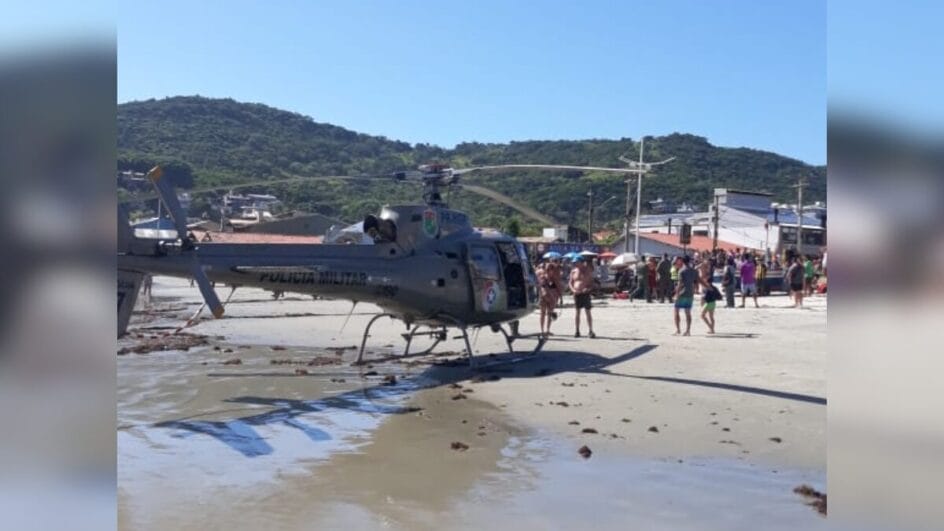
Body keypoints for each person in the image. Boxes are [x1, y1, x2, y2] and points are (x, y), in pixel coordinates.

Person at [674, 255, 709, 336]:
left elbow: (680, 284)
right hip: (690, 293)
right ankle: (688, 330)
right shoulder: (694, 271)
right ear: (689, 261)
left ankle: (678, 330)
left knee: (676, 311)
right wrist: (708, 287)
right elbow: (700, 280)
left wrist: (676, 294)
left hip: (682, 293)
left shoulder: (681, 271)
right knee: (688, 313)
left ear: (682, 261)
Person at [569, 256, 596, 338]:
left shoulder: (588, 271)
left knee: (588, 312)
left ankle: (590, 330)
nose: (575, 264)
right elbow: (570, 283)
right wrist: (573, 290)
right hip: (577, 294)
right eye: (574, 262)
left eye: (577, 262)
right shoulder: (573, 271)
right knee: (577, 312)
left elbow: (592, 283)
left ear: (581, 262)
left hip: (585, 294)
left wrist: (587, 289)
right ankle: (577, 330)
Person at [537, 261, 563, 337]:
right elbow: (544, 288)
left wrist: (559, 296)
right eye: (548, 269)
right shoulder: (543, 277)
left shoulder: (554, 279)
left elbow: (558, 288)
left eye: (551, 269)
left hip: (552, 299)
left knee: (550, 314)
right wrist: (551, 296)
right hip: (544, 297)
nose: (550, 271)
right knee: (543, 313)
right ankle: (542, 330)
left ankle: (548, 330)